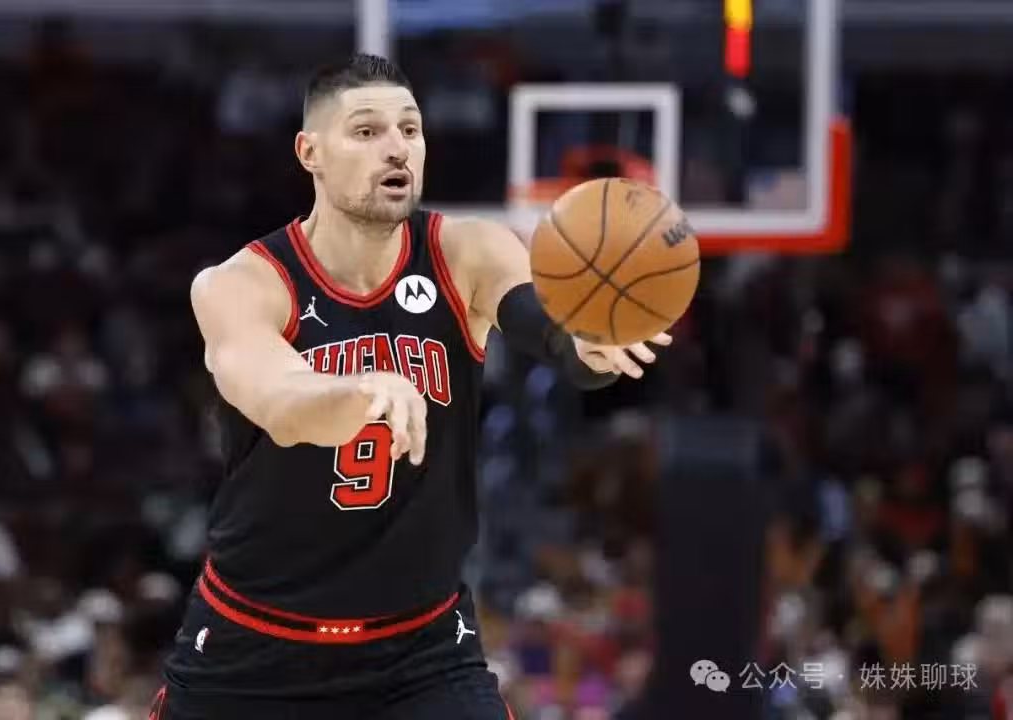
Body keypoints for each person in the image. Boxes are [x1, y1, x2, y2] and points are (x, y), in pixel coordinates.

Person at [154, 54, 671, 720]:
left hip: (420, 652)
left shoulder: (467, 252)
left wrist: (585, 340)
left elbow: (546, 325)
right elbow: (279, 402)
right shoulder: (242, 284)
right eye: (367, 131)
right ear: (310, 152)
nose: (396, 147)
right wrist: (359, 394)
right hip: (252, 648)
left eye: (410, 129)